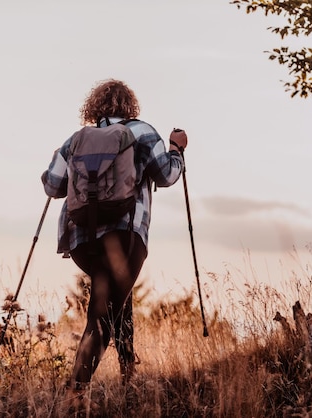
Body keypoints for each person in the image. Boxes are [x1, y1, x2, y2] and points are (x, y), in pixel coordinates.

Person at [41, 79, 187, 389]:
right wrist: (177, 148)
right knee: (103, 315)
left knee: (117, 297)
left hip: (81, 240)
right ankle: (75, 392)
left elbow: (52, 186)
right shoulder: (143, 132)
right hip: (126, 234)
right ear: (130, 106)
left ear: (93, 108)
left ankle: (127, 370)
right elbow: (167, 174)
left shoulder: (76, 140)